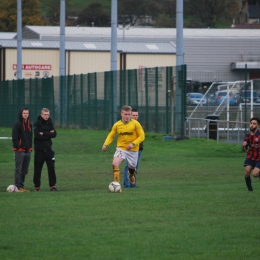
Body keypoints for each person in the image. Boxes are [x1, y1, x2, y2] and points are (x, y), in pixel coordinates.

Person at [102, 105, 145, 190]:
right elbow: (111, 135)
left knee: (132, 168)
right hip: (121, 148)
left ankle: (132, 176)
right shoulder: (117, 125)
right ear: (121, 114)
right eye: (125, 114)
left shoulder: (136, 124)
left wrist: (133, 143)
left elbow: (142, 136)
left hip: (133, 150)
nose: (127, 116)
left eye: (129, 114)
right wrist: (105, 144)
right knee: (115, 164)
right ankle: (117, 185)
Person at [33, 108, 58, 191]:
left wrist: (43, 133)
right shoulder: (37, 124)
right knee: (37, 169)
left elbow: (54, 134)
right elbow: (37, 136)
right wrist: (48, 134)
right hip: (39, 150)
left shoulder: (50, 123)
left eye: (47, 114)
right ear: (41, 115)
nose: (46, 116)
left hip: (49, 150)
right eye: (45, 114)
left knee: (51, 168)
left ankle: (53, 186)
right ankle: (37, 186)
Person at [12, 108, 33, 192]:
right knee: (19, 169)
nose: (25, 115)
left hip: (28, 150)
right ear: (21, 114)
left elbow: (30, 137)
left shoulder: (29, 124)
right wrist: (18, 148)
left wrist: (30, 147)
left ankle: (22, 185)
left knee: (25, 170)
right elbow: (15, 138)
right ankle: (17, 186)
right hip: (19, 150)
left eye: (27, 113)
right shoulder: (17, 125)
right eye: (24, 113)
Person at [123, 108, 143, 188]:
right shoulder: (128, 125)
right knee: (127, 167)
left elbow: (141, 137)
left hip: (138, 149)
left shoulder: (138, 124)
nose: (135, 117)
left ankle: (133, 184)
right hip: (130, 150)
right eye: (133, 115)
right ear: (130, 116)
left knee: (134, 167)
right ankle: (126, 184)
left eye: (136, 115)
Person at [242, 117, 260, 191]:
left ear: (258, 126)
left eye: (254, 124)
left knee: (255, 174)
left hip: (259, 158)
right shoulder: (247, 135)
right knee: (246, 173)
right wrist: (244, 145)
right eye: (251, 123)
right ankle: (250, 190)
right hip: (250, 157)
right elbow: (244, 149)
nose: (252, 125)